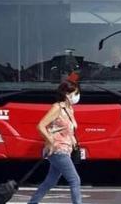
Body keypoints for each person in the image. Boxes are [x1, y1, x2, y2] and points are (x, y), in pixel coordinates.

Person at [28, 75, 82, 204]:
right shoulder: (57, 108)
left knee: (50, 182)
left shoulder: (69, 109)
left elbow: (69, 129)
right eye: (75, 93)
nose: (77, 96)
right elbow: (41, 125)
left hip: (66, 148)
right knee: (75, 180)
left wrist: (74, 141)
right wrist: (51, 141)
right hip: (58, 149)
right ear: (67, 94)